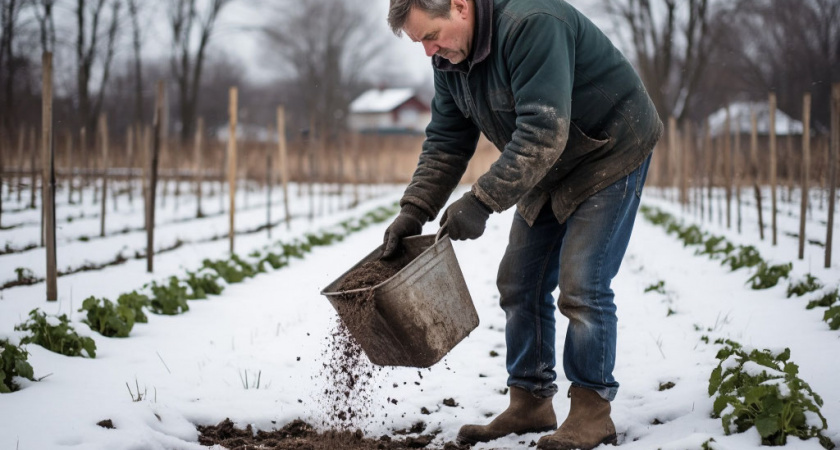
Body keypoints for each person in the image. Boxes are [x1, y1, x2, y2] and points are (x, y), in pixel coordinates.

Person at [382, 0, 662, 448]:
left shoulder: (531, 24)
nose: (429, 50)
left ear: (459, 6)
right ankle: (530, 403)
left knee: (583, 282)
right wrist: (413, 211)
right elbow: (447, 142)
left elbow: (543, 130)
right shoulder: (449, 59)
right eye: (420, 43)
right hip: (547, 163)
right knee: (518, 281)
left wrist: (482, 200)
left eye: (430, 35)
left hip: (607, 149)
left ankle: (592, 410)